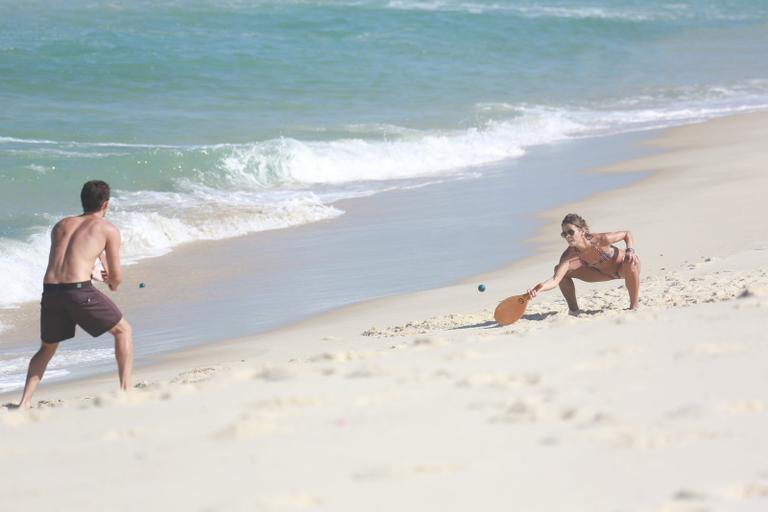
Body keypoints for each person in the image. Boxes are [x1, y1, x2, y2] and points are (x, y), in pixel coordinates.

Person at [16, 180, 133, 408]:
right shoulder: (108, 229)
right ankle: (126, 391)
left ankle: (24, 403)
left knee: (46, 348)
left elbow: (66, 257)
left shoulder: (61, 225)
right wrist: (112, 283)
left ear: (83, 200)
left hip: (51, 292)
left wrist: (91, 270)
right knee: (123, 331)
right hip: (78, 292)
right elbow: (116, 276)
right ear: (106, 204)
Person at [527, 213, 640, 313]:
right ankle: (574, 310)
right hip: (602, 273)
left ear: (582, 231)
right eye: (564, 234)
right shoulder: (569, 254)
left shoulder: (600, 239)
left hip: (624, 268)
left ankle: (634, 306)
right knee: (559, 269)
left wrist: (630, 250)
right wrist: (538, 288)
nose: (567, 236)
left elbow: (627, 234)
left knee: (631, 262)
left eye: (570, 232)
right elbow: (555, 280)